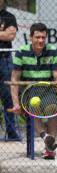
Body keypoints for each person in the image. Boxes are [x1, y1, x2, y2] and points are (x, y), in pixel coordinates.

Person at [10, 23, 57, 159]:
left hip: (48, 90)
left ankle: (49, 148)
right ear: (30, 37)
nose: (40, 40)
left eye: (43, 38)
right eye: (37, 37)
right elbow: (14, 79)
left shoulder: (53, 50)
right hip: (28, 91)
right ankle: (46, 137)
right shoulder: (21, 51)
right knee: (32, 107)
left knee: (56, 109)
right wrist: (16, 103)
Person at [0, 0, 20, 140]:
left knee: (8, 96)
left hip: (4, 59)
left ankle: (12, 133)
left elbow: (10, 35)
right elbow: (4, 34)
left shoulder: (8, 16)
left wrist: (6, 33)